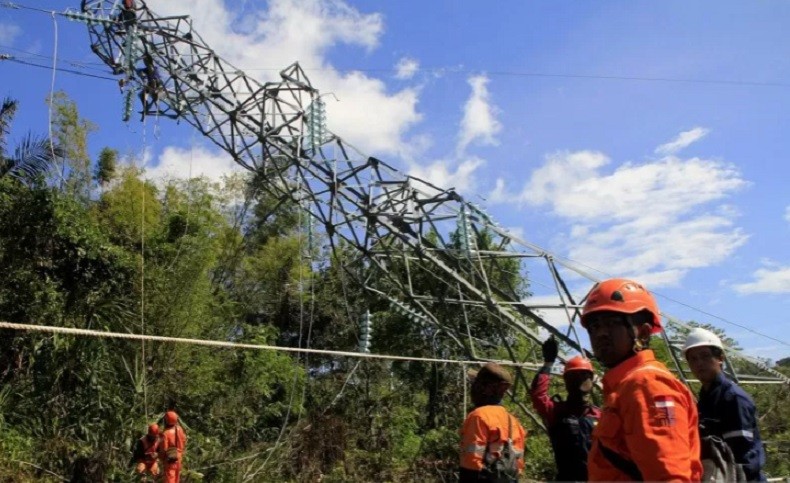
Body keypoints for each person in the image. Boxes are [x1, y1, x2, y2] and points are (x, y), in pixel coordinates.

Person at [580, 278, 703, 481]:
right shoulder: (624, 387)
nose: (600, 333)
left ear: (643, 333)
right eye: (594, 326)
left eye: (613, 323)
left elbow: (669, 476)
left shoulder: (647, 384)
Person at [683, 327, 767, 481]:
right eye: (693, 359)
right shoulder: (706, 397)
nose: (699, 363)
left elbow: (743, 456)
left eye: (705, 356)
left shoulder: (733, 398)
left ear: (720, 358)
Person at [529, 336, 600, 481]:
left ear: (592, 380)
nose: (580, 380)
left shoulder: (600, 414)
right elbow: (538, 395)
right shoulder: (557, 411)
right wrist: (548, 364)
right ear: (566, 382)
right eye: (574, 376)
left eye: (584, 375)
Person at [459, 362, 527, 483]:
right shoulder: (513, 421)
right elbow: (519, 465)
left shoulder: (479, 416)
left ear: (485, 388)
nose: (472, 388)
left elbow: (471, 462)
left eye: (475, 384)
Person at [159, 410, 187, 483]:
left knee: (170, 480)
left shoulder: (166, 433)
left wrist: (161, 459)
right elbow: (184, 440)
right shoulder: (180, 429)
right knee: (176, 480)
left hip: (170, 459)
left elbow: (164, 449)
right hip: (179, 458)